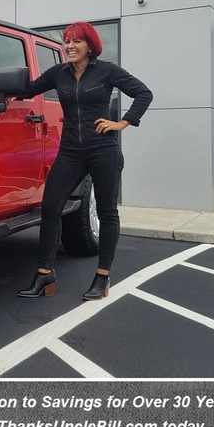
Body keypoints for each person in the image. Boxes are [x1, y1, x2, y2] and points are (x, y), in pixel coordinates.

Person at [18, 22, 153, 300]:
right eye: (67, 41)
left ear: (90, 46)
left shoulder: (107, 71)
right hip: (70, 150)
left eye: (76, 42)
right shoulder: (59, 73)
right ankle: (45, 274)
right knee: (51, 205)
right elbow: (29, 90)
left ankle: (102, 276)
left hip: (102, 149)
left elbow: (143, 93)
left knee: (107, 212)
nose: (69, 46)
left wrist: (122, 123)